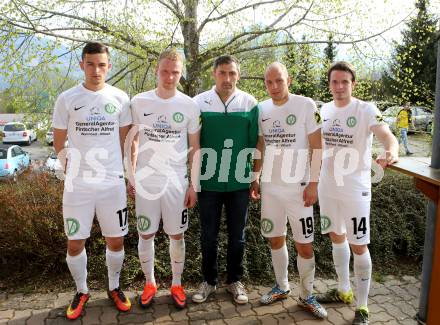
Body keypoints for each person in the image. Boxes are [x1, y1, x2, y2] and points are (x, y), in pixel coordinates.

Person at [52, 42, 132, 320]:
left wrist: (129, 174)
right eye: (90, 64)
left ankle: (114, 287)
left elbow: (127, 142)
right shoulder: (66, 99)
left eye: (101, 64)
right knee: (75, 243)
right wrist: (69, 168)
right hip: (78, 186)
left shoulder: (121, 98)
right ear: (82, 65)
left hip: (112, 184)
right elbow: (58, 141)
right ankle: (82, 290)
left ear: (109, 66)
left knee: (116, 242)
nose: (96, 70)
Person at [316, 61, 399, 325]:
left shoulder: (366, 109)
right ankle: (343, 290)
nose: (339, 87)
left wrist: (391, 151)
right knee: (336, 237)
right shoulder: (324, 110)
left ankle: (362, 307)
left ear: (353, 84)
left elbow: (388, 137)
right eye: (334, 82)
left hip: (355, 189)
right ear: (329, 85)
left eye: (344, 82)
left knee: (359, 244)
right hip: (327, 186)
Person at [250, 62, 327, 319]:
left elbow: (317, 145)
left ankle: (307, 295)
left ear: (289, 80)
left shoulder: (305, 105)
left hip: (300, 189)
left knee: (304, 244)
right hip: (271, 189)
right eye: (269, 82)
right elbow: (260, 145)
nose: (274, 87)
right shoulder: (262, 109)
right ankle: (282, 287)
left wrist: (314, 183)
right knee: (275, 238)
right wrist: (255, 177)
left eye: (279, 81)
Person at [129, 48, 200, 309]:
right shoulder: (139, 102)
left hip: (176, 183)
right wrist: (132, 175)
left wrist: (194, 185)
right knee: (145, 234)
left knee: (177, 236)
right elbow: (133, 142)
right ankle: (150, 283)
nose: (169, 77)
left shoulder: (189, 105)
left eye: (175, 73)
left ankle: (177, 284)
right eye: (165, 71)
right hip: (146, 182)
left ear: (180, 74)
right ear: (157, 70)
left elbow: (196, 148)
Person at [192, 55, 259, 304]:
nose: (227, 78)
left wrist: (254, 176)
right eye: (222, 73)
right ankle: (209, 281)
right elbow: (193, 143)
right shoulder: (198, 102)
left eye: (232, 73)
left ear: (238, 75)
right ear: (214, 74)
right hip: (208, 181)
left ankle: (234, 281)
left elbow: (256, 143)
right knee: (208, 235)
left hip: (239, 182)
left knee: (237, 236)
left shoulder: (250, 103)